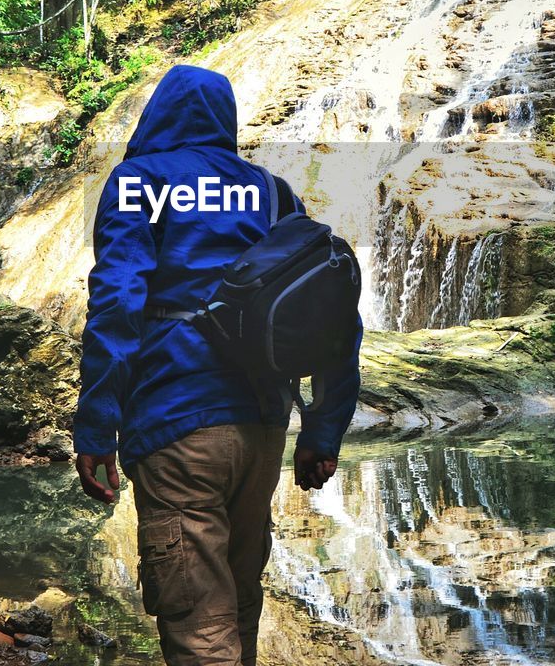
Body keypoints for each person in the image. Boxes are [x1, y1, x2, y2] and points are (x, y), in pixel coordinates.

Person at [74, 64, 361, 666]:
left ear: (160, 114)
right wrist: (323, 430)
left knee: (200, 622)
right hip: (260, 431)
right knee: (237, 610)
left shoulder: (138, 183)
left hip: (177, 427)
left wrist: (97, 427)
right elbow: (334, 312)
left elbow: (118, 304)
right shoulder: (273, 192)